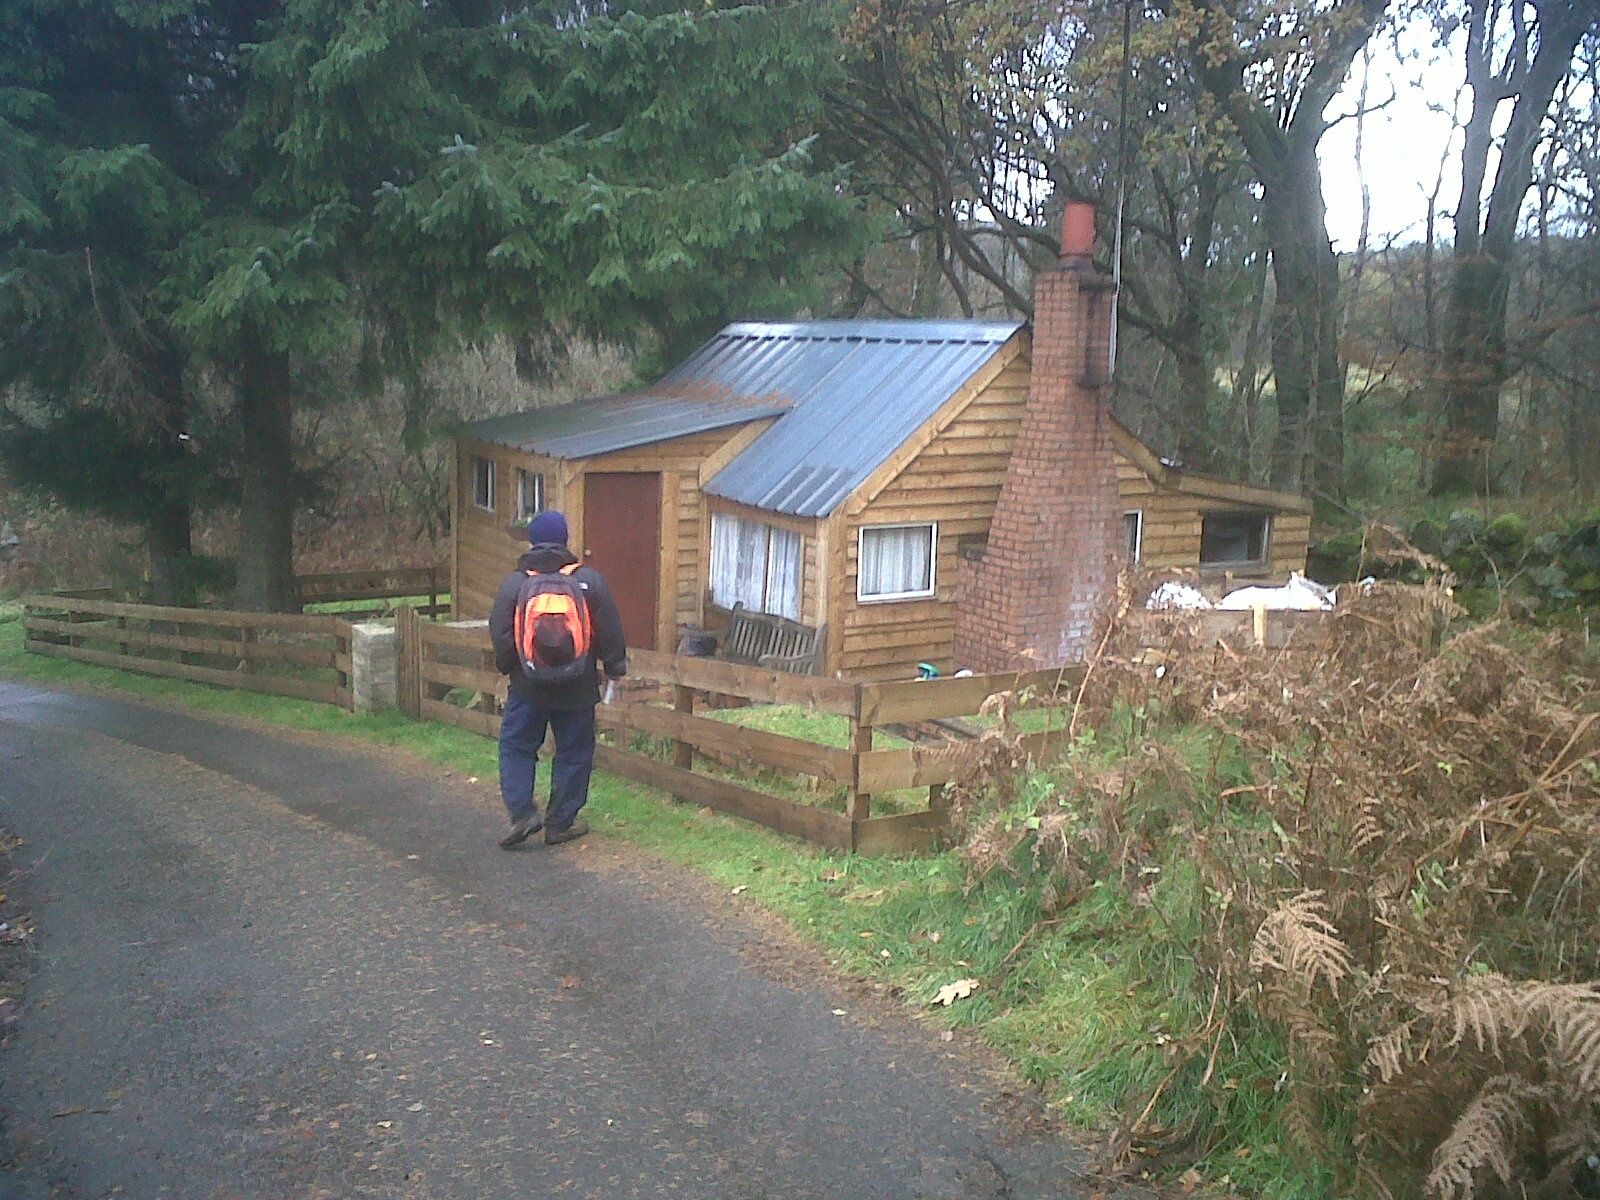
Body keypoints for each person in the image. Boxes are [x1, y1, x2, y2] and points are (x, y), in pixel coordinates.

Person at [488, 510, 627, 849]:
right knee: (574, 753)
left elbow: (501, 631)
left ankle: (523, 814)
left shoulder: (516, 583)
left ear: (532, 541)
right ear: (565, 539)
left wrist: (511, 667)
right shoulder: (589, 581)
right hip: (577, 687)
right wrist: (614, 667)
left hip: (528, 686)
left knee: (517, 747)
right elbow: (609, 629)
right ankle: (560, 823)